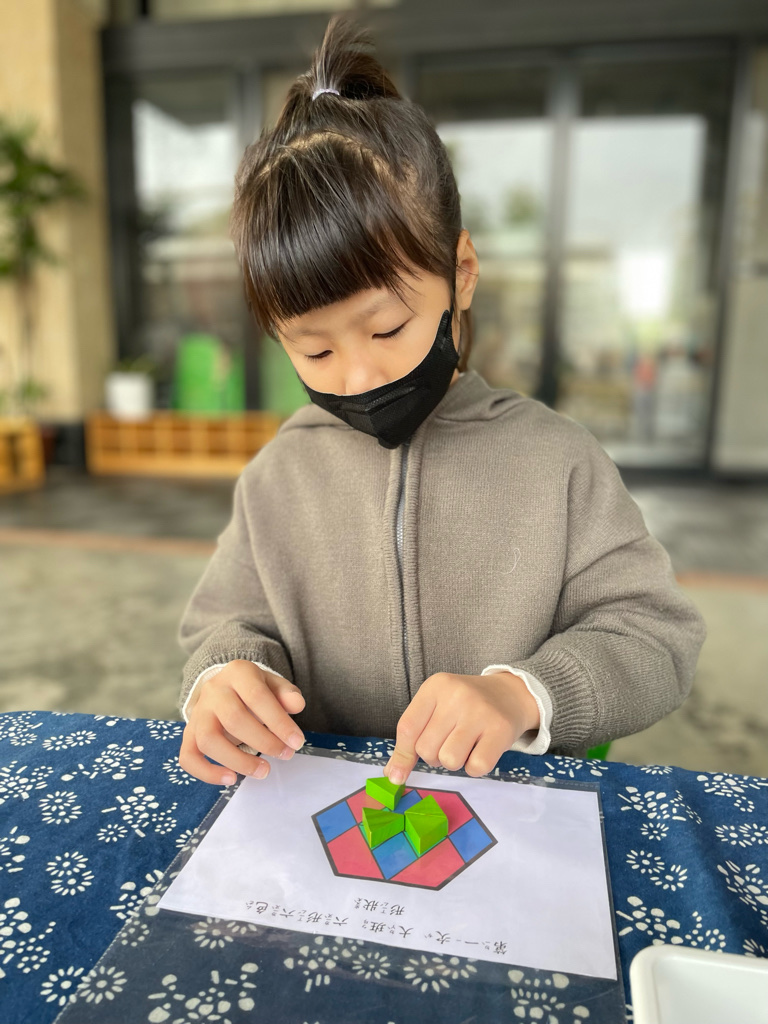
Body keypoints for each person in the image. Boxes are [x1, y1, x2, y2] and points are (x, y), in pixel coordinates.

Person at [176, 14, 706, 790]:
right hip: (324, 819)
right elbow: (223, 625)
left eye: (387, 328)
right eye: (314, 350)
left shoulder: (558, 463)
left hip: (509, 820)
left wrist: (523, 694)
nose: (358, 375)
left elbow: (656, 635)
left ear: (461, 272)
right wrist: (225, 677)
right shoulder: (278, 477)